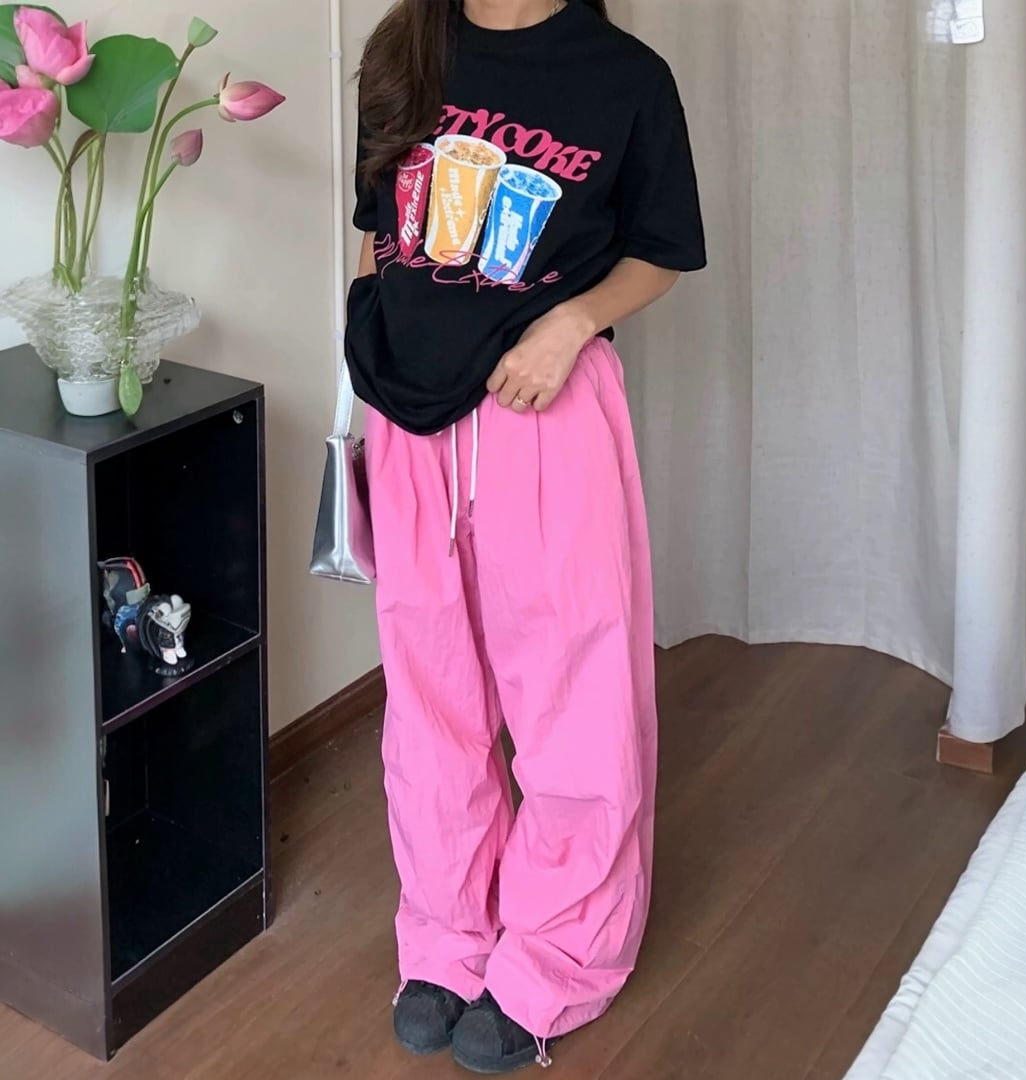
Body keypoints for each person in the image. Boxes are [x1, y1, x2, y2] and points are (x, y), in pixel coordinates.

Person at [346, 0, 706, 1072]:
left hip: (542, 411)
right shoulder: (402, 46)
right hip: (408, 418)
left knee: (573, 696)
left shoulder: (625, 75)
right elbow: (378, 224)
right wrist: (367, 337)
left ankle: (559, 952)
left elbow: (662, 251)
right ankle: (446, 934)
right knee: (430, 695)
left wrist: (571, 322)